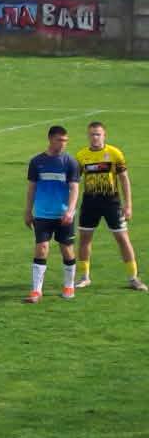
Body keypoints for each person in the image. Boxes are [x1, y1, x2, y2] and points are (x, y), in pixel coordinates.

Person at [74, 120, 146, 291]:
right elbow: (74, 182)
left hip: (111, 203)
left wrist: (128, 205)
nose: (95, 137)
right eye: (92, 134)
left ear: (104, 135)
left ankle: (133, 278)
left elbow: (124, 180)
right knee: (84, 239)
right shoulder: (81, 156)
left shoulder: (114, 154)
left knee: (123, 239)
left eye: (98, 134)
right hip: (90, 203)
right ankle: (84, 277)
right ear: (88, 136)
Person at [24, 125, 81, 303]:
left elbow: (74, 188)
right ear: (50, 139)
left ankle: (69, 286)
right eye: (59, 140)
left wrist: (70, 211)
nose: (63, 143)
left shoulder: (70, 162)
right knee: (41, 248)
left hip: (63, 215)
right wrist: (28, 210)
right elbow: (32, 188)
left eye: (65, 141)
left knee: (67, 250)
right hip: (42, 214)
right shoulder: (36, 162)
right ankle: (36, 291)